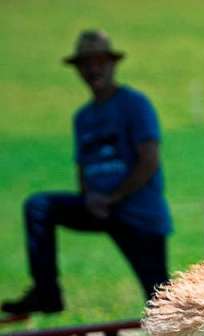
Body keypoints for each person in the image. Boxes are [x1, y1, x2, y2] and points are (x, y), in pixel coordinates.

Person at [2, 30, 172, 316]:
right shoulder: (83, 117)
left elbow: (149, 161)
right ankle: (46, 293)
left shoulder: (134, 105)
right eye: (86, 64)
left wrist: (112, 198)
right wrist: (90, 198)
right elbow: (83, 166)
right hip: (99, 206)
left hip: (138, 214)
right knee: (39, 207)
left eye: (99, 62)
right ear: (79, 69)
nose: (93, 69)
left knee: (161, 300)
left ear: (112, 64)